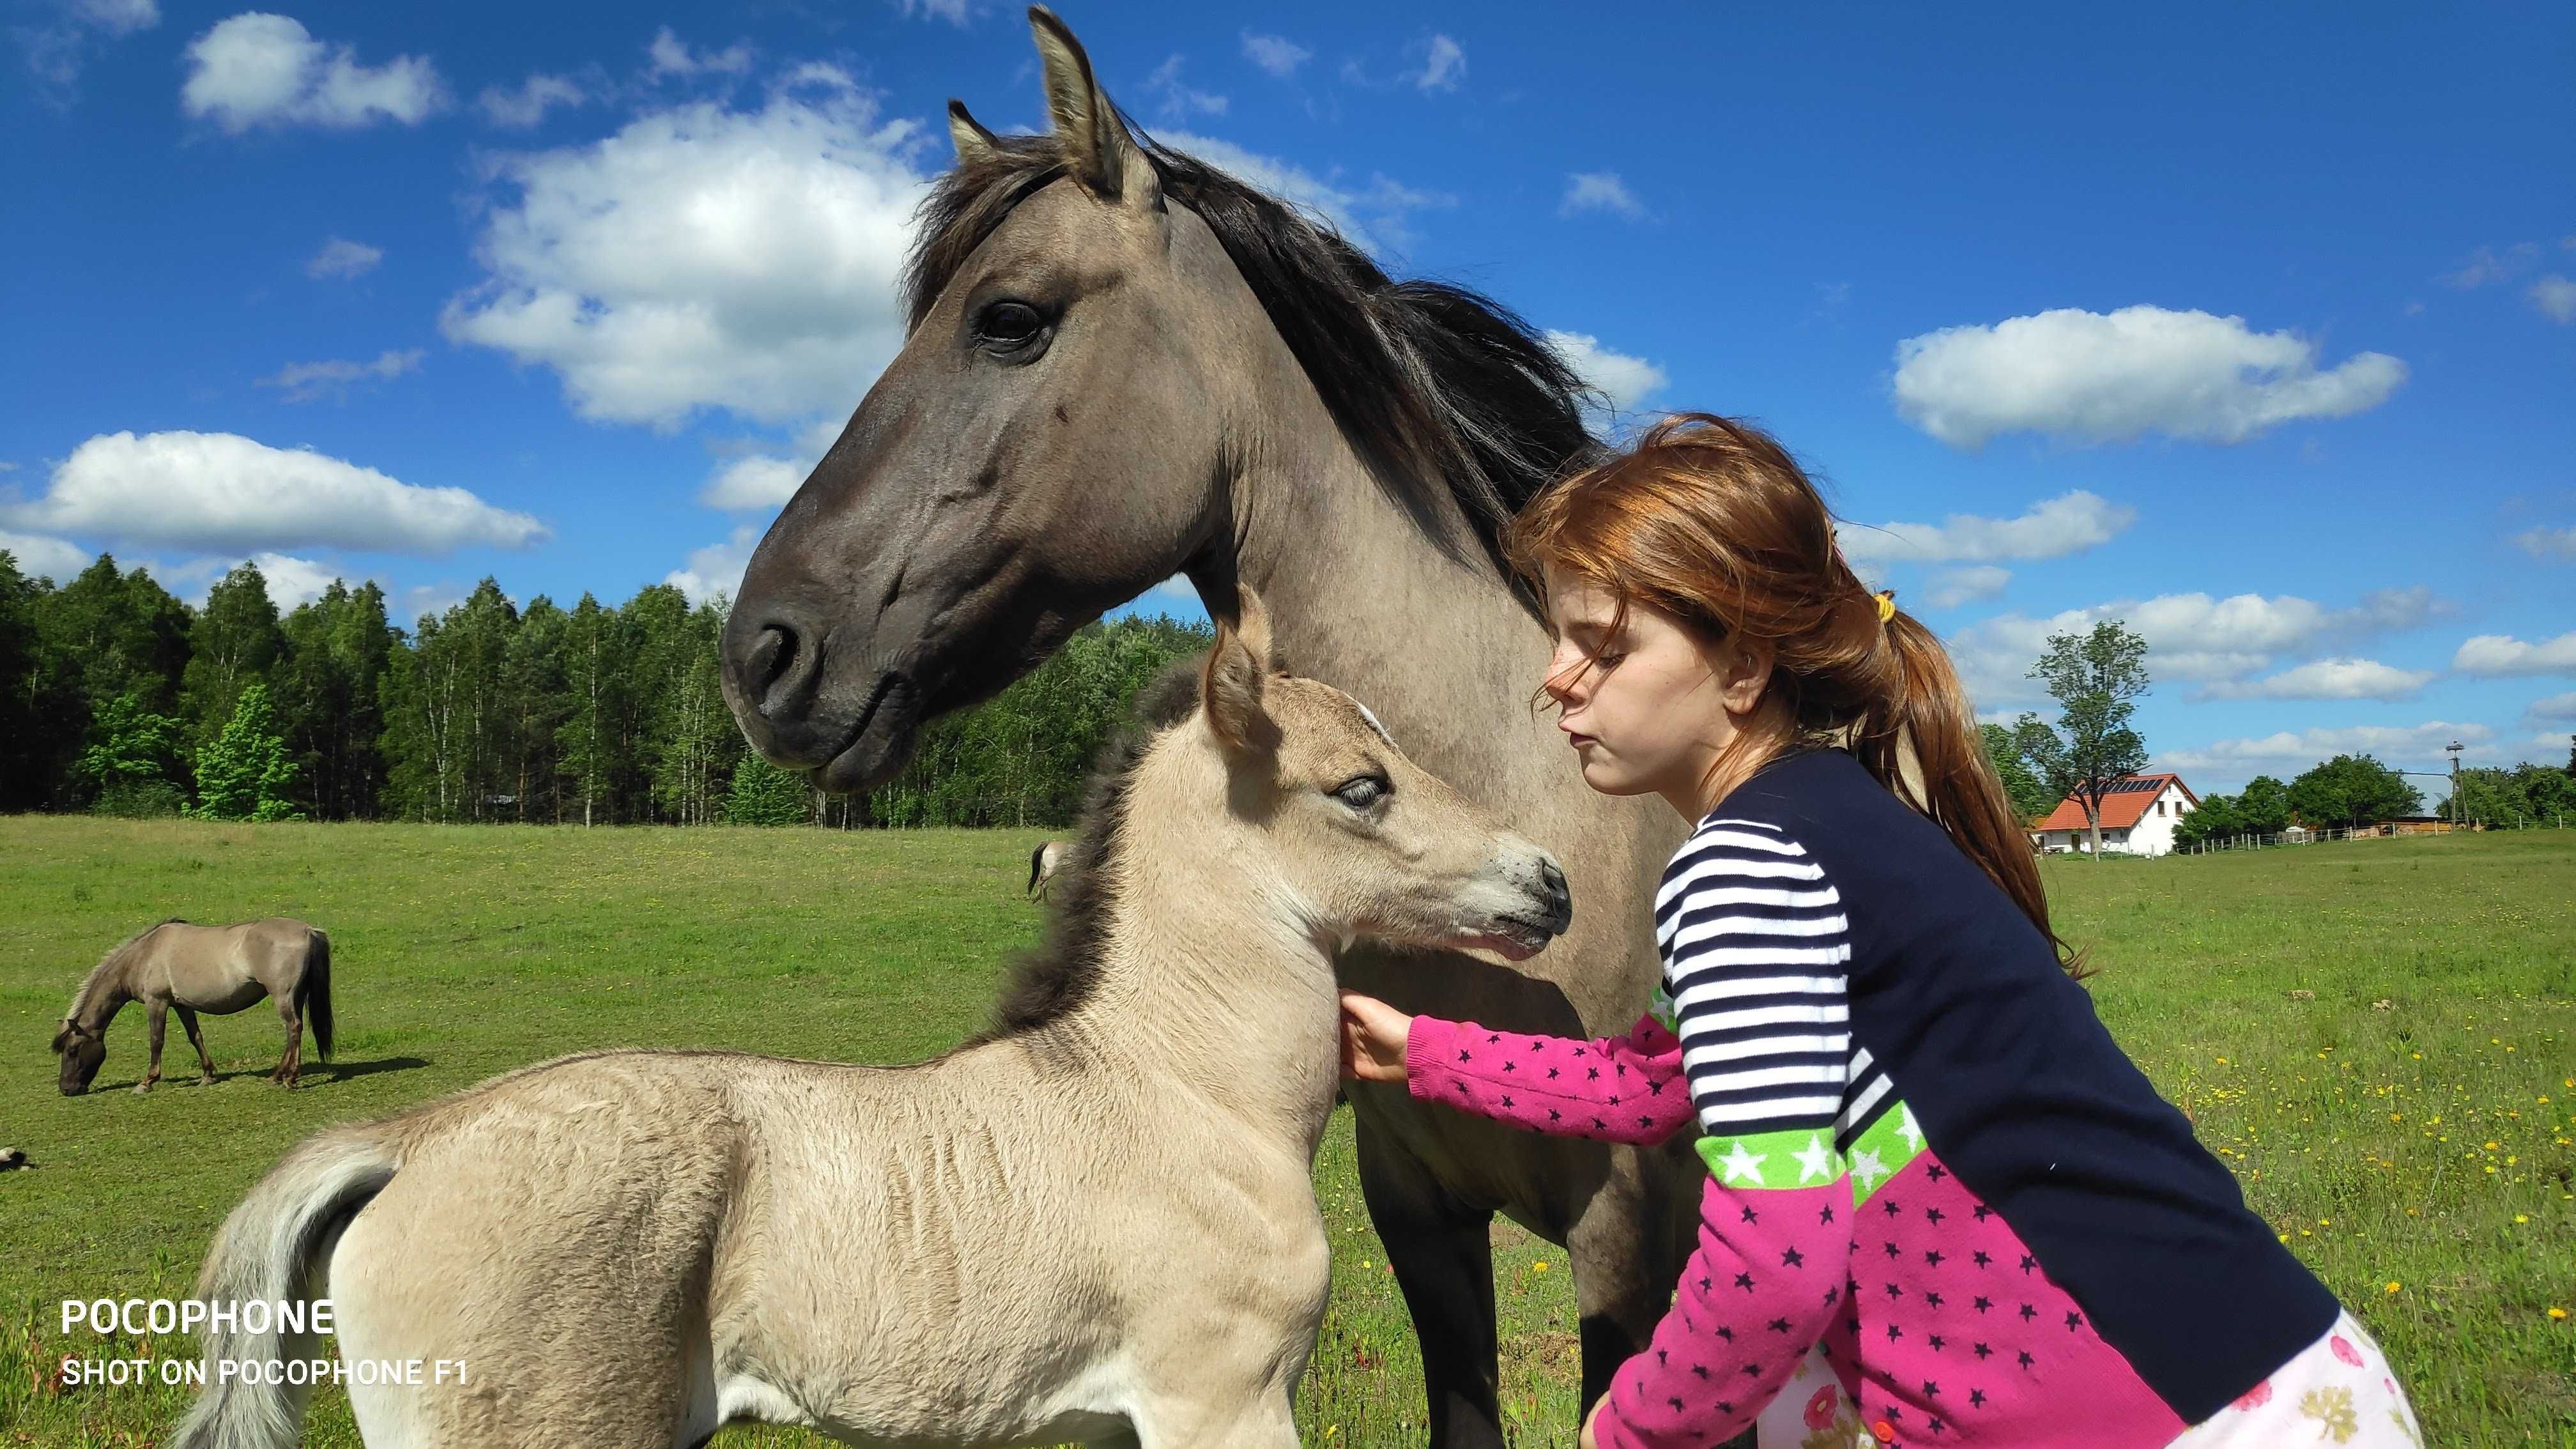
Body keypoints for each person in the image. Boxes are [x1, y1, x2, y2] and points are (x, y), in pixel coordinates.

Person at [1336, 415, 2420, 1449]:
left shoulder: (1743, 865)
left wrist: (1634, 1425)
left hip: (2158, 1411)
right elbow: (1682, 1088)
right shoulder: (1833, 816)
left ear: (1745, 668)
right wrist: (1426, 1052)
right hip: (2263, 1375)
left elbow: (1773, 1268)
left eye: (1603, 647)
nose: (1556, 678)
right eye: (1559, 639)